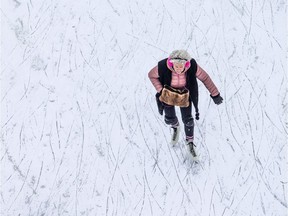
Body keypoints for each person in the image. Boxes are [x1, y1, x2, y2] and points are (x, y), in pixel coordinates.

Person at [148, 50, 223, 159]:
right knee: (169, 119)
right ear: (171, 63)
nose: (178, 69)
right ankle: (175, 127)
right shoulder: (162, 66)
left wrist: (215, 94)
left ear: (186, 64)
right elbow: (151, 75)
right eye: (176, 66)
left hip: (185, 96)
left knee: (188, 120)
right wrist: (161, 90)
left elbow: (205, 78)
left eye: (181, 66)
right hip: (169, 95)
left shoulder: (192, 66)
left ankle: (190, 143)